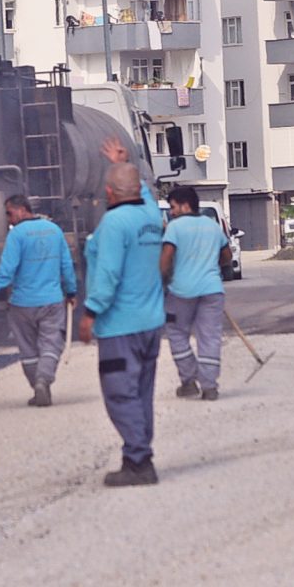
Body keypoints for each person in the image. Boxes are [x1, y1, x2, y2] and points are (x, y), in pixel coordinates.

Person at [79, 138, 166, 487]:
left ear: (108, 193)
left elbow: (108, 275)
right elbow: (141, 192)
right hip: (151, 323)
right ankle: (139, 453)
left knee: (119, 393)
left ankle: (139, 461)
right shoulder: (149, 215)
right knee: (141, 392)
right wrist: (123, 164)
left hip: (120, 326)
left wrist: (89, 313)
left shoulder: (114, 225)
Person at [0, 193, 77, 407]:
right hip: (52, 302)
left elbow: (7, 269)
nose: (9, 219)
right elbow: (66, 265)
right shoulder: (55, 231)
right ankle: (43, 381)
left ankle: (36, 386)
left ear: (21, 210)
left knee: (27, 348)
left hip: (22, 304)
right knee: (51, 343)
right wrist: (72, 292)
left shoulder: (16, 235)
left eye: (9, 214)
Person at [158, 184, 228, 400]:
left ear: (185, 205)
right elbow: (226, 257)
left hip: (181, 292)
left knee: (177, 333)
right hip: (212, 290)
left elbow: (166, 257)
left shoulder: (174, 228)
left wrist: (162, 281)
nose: (171, 211)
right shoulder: (213, 226)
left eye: (173, 206)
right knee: (210, 336)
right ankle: (209, 386)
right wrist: (211, 269)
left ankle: (189, 380)